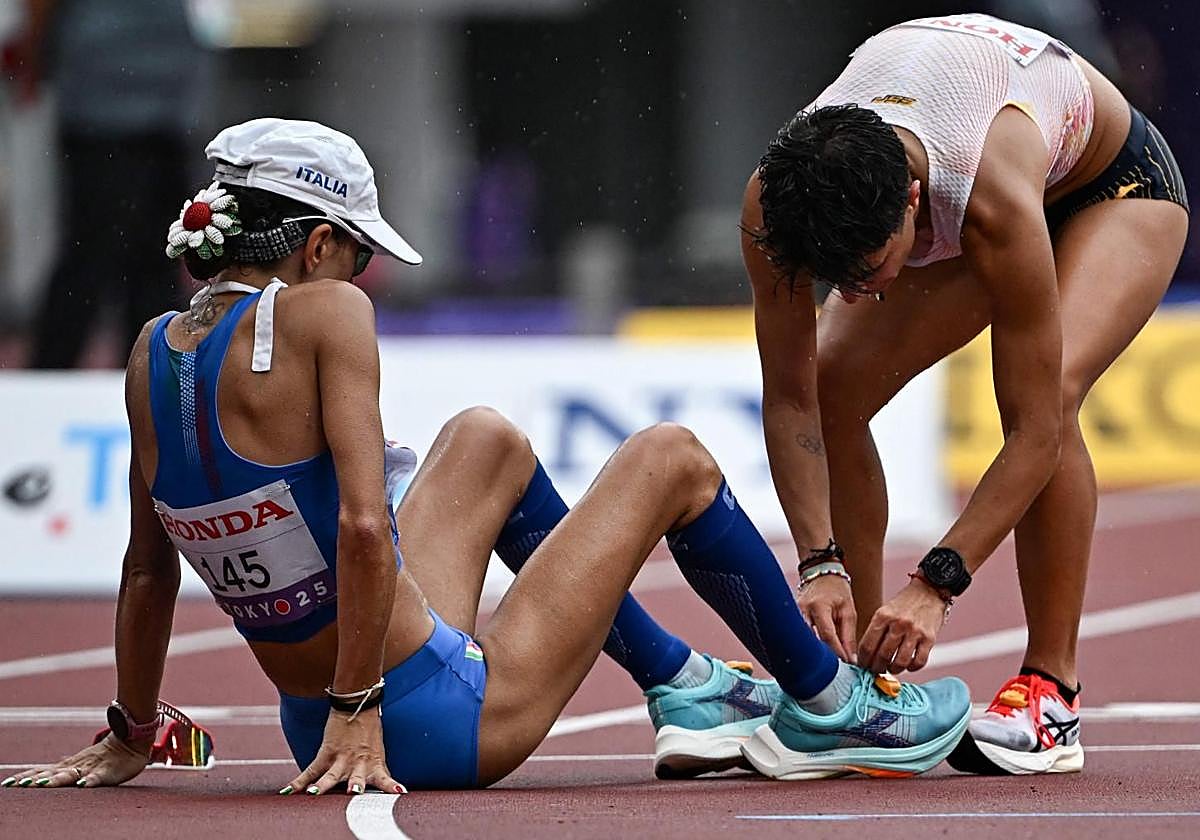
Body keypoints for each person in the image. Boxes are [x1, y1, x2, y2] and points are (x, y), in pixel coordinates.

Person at [2, 118, 970, 793]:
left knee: (484, 437)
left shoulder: (151, 350)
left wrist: (135, 729)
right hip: (419, 717)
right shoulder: (328, 314)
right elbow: (361, 528)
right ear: (318, 247)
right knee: (671, 458)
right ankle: (833, 707)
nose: (363, 277)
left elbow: (146, 569)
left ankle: (682, 685)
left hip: (316, 716)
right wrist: (361, 708)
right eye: (360, 256)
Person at [741, 13, 1188, 776]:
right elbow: (790, 401)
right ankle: (863, 688)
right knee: (831, 387)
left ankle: (1051, 692)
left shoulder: (988, 201)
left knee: (1053, 392)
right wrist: (819, 564)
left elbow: (1033, 433)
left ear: (913, 200)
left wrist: (935, 584)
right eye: (836, 276)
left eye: (870, 269)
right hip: (973, 157)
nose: (857, 291)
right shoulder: (773, 204)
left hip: (1106, 187)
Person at [12, 0, 202, 367]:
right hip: (110, 98)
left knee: (150, 252)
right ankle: (58, 371)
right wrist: (32, 57)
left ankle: (149, 369)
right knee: (103, 253)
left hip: (155, 96)